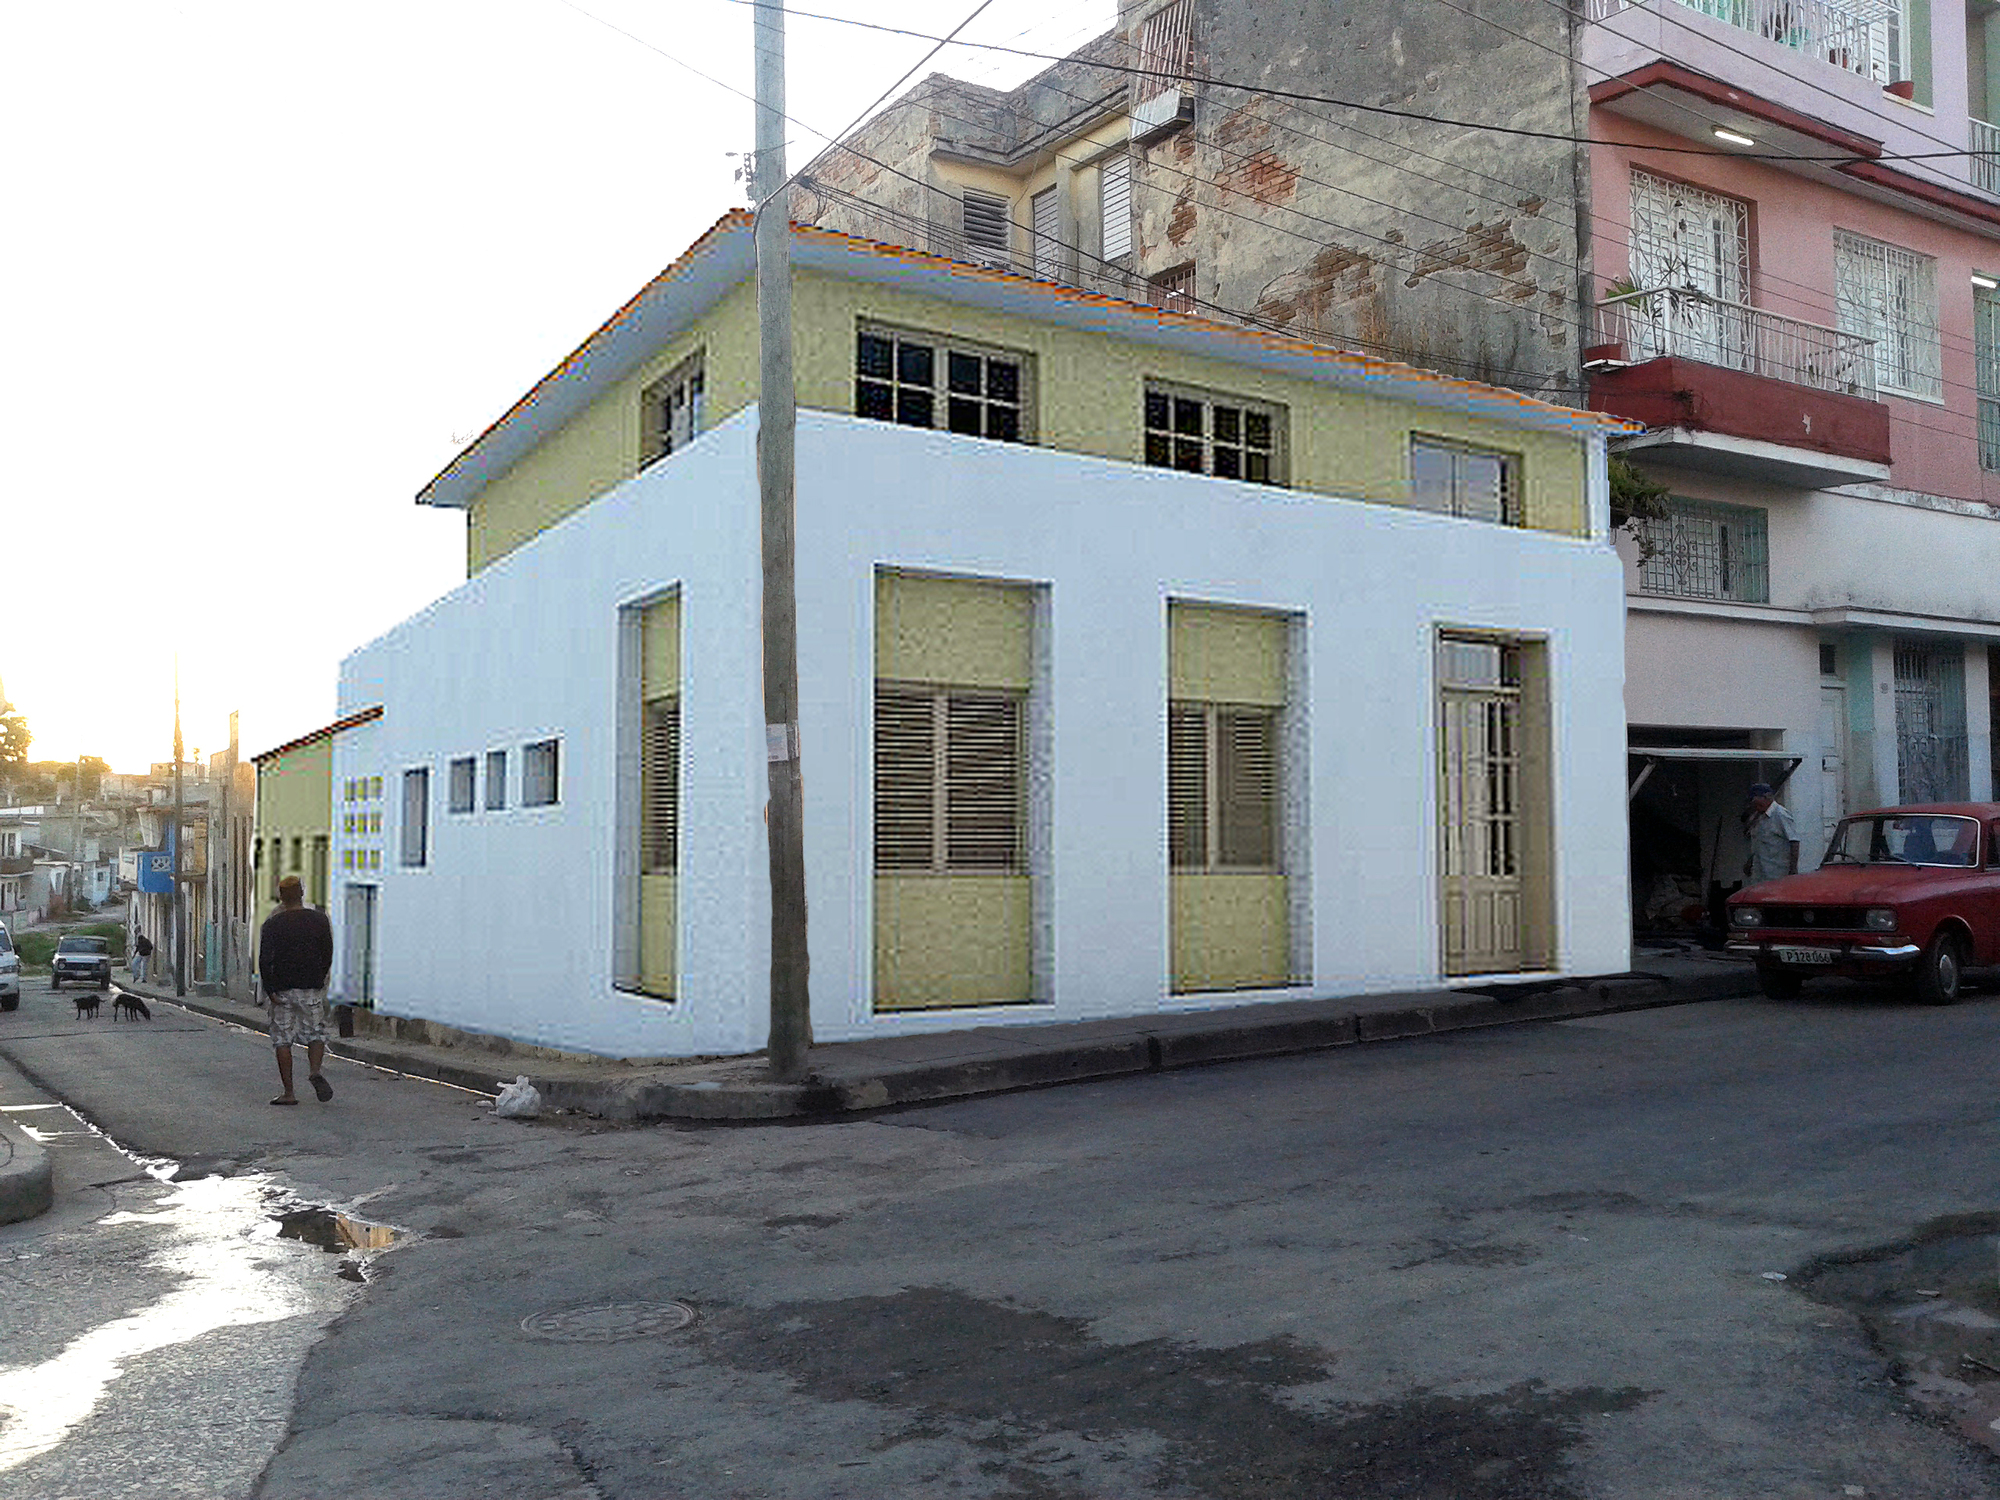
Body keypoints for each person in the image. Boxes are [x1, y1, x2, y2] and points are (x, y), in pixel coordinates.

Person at [258, 875, 335, 1106]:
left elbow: (264, 960)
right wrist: (319, 977)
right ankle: (314, 1071)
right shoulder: (319, 920)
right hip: (310, 986)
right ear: (302, 893)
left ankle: (289, 1093)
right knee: (316, 1033)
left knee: (282, 1040)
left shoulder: (272, 924)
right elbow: (327, 952)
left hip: (282, 990)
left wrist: (270, 988)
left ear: (281, 896)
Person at [1743, 782, 1800, 886]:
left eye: (1754, 800)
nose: (1753, 804)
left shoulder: (1781, 814)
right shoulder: (1759, 817)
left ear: (1764, 797)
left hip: (1777, 874)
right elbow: (1759, 843)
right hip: (1760, 874)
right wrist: (1750, 861)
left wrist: (1793, 870)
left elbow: (1794, 841)